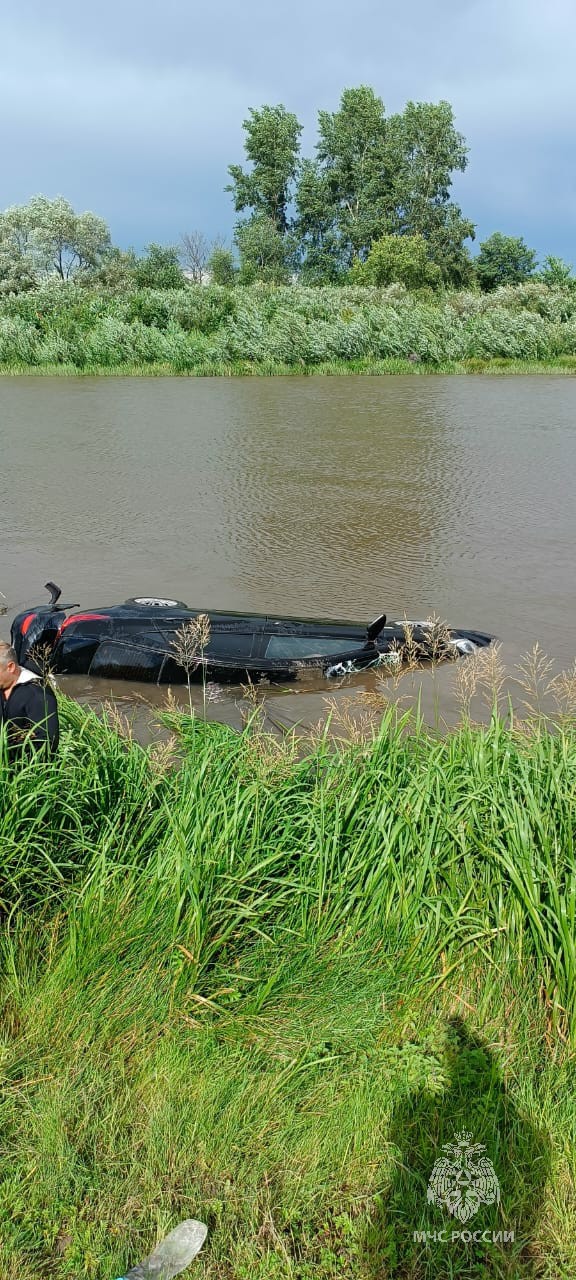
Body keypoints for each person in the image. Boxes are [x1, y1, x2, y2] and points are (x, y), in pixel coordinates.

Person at [0, 641, 59, 759]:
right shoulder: (3, 685)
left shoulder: (37, 694)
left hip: (25, 769)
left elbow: (47, 742)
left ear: (10, 667)